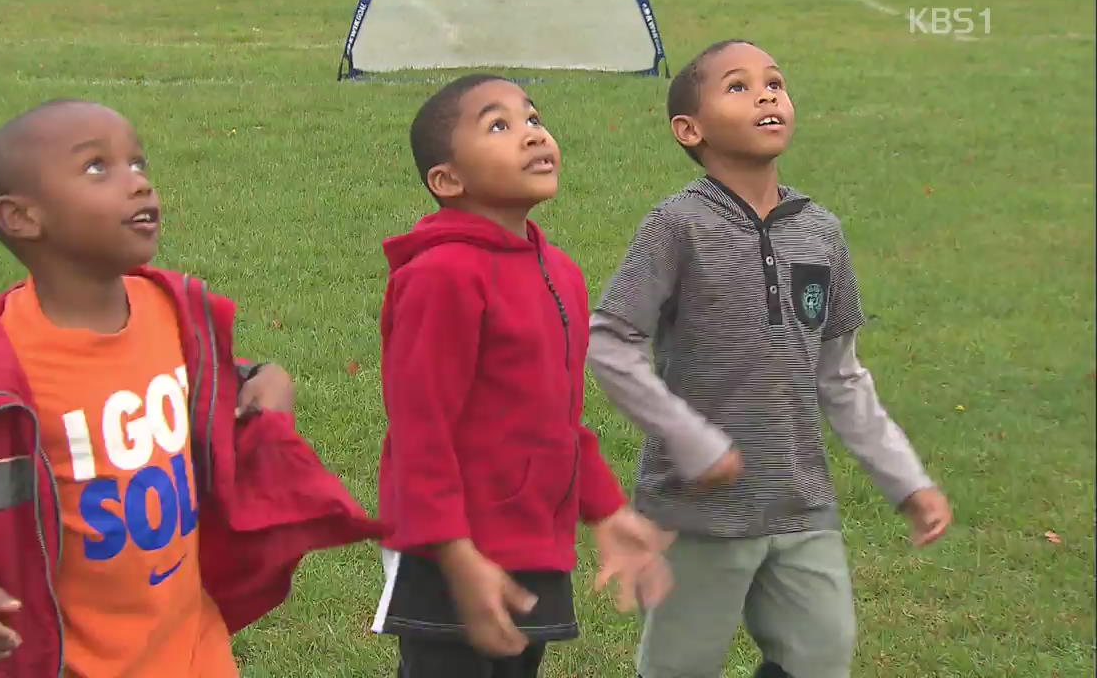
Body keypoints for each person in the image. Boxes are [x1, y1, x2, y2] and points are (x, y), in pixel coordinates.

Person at [0, 99, 382, 678]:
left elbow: (213, 378)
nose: (138, 183)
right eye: (97, 168)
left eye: (138, 163)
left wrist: (265, 379)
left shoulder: (172, 312)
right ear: (21, 217)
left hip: (195, 650)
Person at [587, 40, 954, 678]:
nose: (766, 95)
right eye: (738, 86)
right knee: (680, 667)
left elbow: (840, 376)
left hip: (800, 501)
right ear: (689, 129)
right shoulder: (677, 226)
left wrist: (907, 480)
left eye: (775, 83)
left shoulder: (822, 231)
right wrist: (692, 441)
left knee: (820, 655)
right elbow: (608, 341)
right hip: (696, 507)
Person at [371, 74, 673, 678]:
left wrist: (608, 511)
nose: (532, 135)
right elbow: (420, 433)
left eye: (533, 119)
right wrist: (456, 556)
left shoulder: (558, 271)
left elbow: (554, 418)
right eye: (499, 126)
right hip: (450, 548)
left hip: (532, 542)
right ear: (447, 180)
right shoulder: (441, 277)